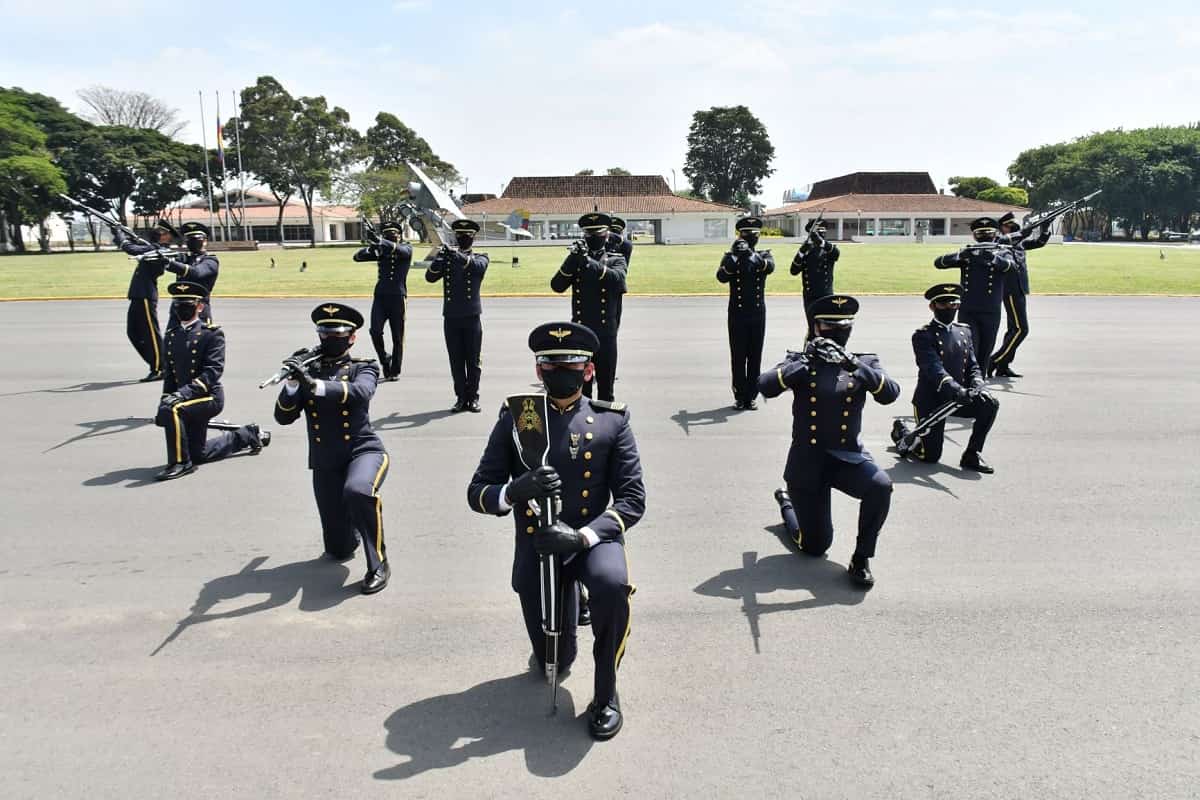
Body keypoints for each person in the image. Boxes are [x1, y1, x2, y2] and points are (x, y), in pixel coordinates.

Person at [467, 321, 645, 740]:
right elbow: (478, 491)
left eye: (570, 364)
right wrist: (514, 490)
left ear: (588, 370)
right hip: (537, 540)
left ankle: (606, 694)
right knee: (555, 661)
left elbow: (632, 499)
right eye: (550, 364)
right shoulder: (518, 416)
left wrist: (583, 537)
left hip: (589, 537)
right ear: (538, 369)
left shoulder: (611, 421)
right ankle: (563, 628)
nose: (559, 371)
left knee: (611, 585)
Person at [759, 295, 900, 587]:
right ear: (816, 328)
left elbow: (891, 394)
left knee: (881, 486)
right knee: (815, 546)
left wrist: (851, 363)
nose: (836, 332)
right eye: (829, 325)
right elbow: (765, 386)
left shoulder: (864, 362)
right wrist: (808, 359)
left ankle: (861, 558)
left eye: (843, 326)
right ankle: (787, 504)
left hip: (846, 458)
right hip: (808, 462)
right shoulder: (800, 361)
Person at [273, 304, 391, 594]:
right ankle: (350, 524)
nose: (329, 338)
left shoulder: (364, 366)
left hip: (363, 452)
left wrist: (315, 385)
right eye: (324, 333)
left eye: (336, 333)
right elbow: (283, 417)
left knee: (358, 491)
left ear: (352, 337)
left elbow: (361, 392)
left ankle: (379, 563)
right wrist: (291, 383)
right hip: (326, 462)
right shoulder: (308, 369)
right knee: (338, 550)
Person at [153, 281, 268, 481]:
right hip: (184, 398)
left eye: (187, 304)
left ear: (199, 306)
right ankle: (247, 435)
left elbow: (213, 371)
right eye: (178, 304)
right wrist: (164, 399)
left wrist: (181, 395)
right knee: (199, 453)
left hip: (208, 397)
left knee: (172, 410)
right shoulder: (172, 336)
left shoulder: (212, 334)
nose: (182, 308)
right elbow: (170, 375)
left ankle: (180, 463)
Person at [891, 284, 999, 473]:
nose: (950, 309)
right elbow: (934, 369)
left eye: (954, 304)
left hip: (959, 397)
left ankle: (972, 454)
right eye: (944, 305)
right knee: (930, 457)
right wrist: (957, 390)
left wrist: (978, 384)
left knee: (990, 403)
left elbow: (972, 365)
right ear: (932, 306)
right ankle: (902, 432)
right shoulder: (923, 335)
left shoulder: (964, 331)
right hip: (932, 401)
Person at [550, 213, 628, 401]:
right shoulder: (577, 260)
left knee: (605, 388)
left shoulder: (616, 259)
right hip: (581, 332)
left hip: (605, 332)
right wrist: (572, 259)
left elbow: (617, 281)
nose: (593, 238)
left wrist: (588, 262)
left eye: (598, 233)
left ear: (607, 235)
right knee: (581, 388)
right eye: (588, 234)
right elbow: (557, 285)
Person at [933, 217, 1014, 375]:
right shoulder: (969, 253)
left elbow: (1011, 268)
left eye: (988, 233)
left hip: (991, 310)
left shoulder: (1003, 252)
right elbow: (939, 263)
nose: (984, 236)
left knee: (985, 352)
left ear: (995, 234)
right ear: (975, 236)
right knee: (970, 351)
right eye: (980, 233)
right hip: (968, 310)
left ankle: (979, 386)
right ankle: (968, 386)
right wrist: (960, 255)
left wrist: (992, 258)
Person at [426, 219, 489, 412]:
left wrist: (457, 255)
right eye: (459, 235)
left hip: (471, 316)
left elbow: (476, 267)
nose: (462, 238)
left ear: (473, 237)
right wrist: (439, 257)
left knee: (473, 360)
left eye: (466, 235)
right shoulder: (448, 258)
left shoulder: (481, 257)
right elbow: (430, 277)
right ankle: (461, 397)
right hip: (452, 317)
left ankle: (473, 397)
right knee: (456, 360)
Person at [718, 216, 775, 410]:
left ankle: (751, 395)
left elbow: (769, 268)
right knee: (738, 356)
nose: (751, 238)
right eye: (747, 235)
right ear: (739, 236)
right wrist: (735, 257)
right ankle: (739, 395)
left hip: (757, 313)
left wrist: (750, 253)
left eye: (754, 235)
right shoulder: (730, 256)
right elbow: (721, 277)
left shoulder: (764, 255)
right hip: (737, 313)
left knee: (755, 355)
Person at [989, 212, 1051, 378]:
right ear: (1002, 228)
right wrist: (1025, 231)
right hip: (1009, 290)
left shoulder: (1019, 243)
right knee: (1021, 330)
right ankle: (993, 361)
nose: (1014, 228)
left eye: (1015, 226)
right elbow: (1014, 238)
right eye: (1010, 226)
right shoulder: (998, 242)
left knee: (1013, 330)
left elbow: (1039, 243)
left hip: (1020, 289)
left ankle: (1003, 365)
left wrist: (1045, 228)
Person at [113, 220, 176, 381]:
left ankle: (160, 368)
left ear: (167, 237)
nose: (157, 232)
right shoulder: (152, 247)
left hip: (146, 296)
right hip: (138, 295)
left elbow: (131, 249)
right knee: (133, 332)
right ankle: (158, 364)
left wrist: (119, 233)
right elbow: (136, 246)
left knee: (150, 334)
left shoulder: (157, 250)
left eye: (161, 231)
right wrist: (125, 234)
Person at [353, 220, 413, 381]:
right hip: (380, 296)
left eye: (393, 234)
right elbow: (357, 257)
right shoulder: (381, 249)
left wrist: (380, 241)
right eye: (387, 234)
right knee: (375, 331)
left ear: (399, 236)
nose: (391, 236)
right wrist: (373, 244)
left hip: (398, 297)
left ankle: (394, 370)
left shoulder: (406, 248)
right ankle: (384, 358)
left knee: (397, 337)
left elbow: (402, 252)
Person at [163, 223, 219, 329]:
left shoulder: (210, 261)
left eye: (196, 239)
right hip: (177, 309)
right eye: (189, 240)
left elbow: (196, 273)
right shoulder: (184, 258)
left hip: (198, 308)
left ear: (205, 241)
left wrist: (168, 263)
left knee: (198, 342)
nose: (192, 243)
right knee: (172, 341)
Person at [789, 218, 839, 334]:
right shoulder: (806, 251)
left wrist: (821, 243)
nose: (821, 234)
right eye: (817, 232)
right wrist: (801, 251)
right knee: (813, 328)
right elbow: (793, 271)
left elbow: (836, 254)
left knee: (826, 328)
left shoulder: (828, 249)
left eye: (822, 231)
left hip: (825, 295)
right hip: (810, 296)